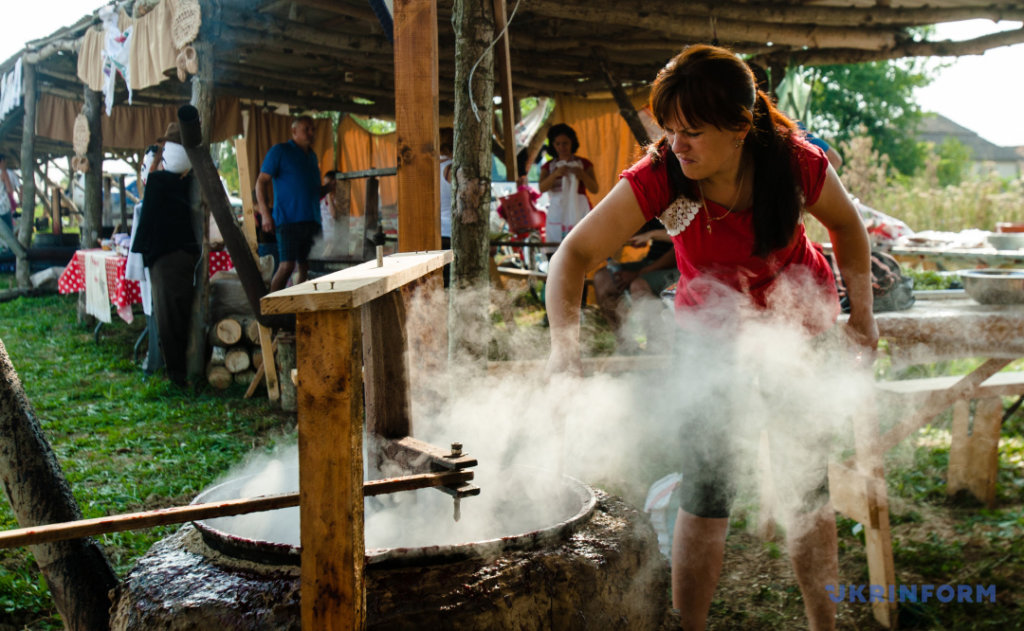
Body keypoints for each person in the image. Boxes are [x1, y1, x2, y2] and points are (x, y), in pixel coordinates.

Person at [545, 44, 877, 631]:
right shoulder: (662, 175)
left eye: (693, 132)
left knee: (807, 485)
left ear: (741, 127)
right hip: (708, 331)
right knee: (706, 489)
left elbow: (848, 225)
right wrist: (564, 355)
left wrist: (863, 316)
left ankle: (823, 625)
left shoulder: (795, 163)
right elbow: (572, 258)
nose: (678, 145)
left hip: (797, 325)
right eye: (670, 130)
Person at [129, 123, 200, 387]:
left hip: (169, 255)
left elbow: (151, 179)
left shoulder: (161, 180)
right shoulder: (169, 178)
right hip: (171, 254)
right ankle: (176, 372)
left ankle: (178, 376)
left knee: (171, 317)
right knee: (171, 316)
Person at [256, 115, 323, 292]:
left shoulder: (312, 156)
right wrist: (265, 214)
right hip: (288, 221)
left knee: (305, 268)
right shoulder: (280, 151)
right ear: (294, 131)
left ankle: (298, 308)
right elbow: (261, 182)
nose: (311, 133)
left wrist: (329, 188)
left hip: (312, 221)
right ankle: (272, 311)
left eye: (312, 129)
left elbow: (313, 192)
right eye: (306, 129)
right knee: (286, 266)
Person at [593, 218, 678, 335]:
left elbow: (680, 246)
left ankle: (656, 345)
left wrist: (639, 273)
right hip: (651, 261)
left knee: (638, 285)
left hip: (679, 266)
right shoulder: (653, 205)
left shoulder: (684, 203)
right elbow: (643, 229)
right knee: (602, 278)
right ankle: (624, 343)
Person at [538, 123, 598, 246]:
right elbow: (542, 188)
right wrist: (555, 175)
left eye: (565, 143)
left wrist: (581, 174)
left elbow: (594, 188)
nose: (562, 147)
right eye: (558, 144)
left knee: (582, 242)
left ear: (572, 143)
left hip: (579, 206)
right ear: (553, 145)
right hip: (557, 209)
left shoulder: (584, 164)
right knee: (556, 244)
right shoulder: (548, 166)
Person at [0, 153, 21, 234]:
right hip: (3, 206)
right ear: (1, 161)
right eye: (4, 162)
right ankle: (9, 247)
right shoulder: (3, 173)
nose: (5, 164)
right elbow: (10, 190)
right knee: (8, 230)